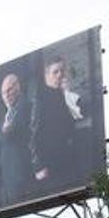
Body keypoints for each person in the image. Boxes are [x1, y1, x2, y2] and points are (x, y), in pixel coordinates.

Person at [30, 56, 77, 188]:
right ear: (46, 75)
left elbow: (75, 119)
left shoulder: (62, 95)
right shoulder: (40, 98)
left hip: (67, 159)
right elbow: (34, 132)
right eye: (55, 72)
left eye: (62, 71)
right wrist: (38, 166)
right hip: (49, 166)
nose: (60, 75)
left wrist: (67, 94)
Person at [0, 73, 33, 206]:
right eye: (4, 93)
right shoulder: (5, 114)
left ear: (18, 87)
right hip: (6, 176)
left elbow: (14, 134)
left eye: (9, 90)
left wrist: (5, 132)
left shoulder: (25, 106)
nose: (7, 95)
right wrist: (3, 132)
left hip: (21, 172)